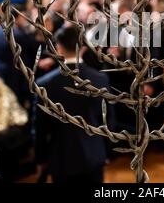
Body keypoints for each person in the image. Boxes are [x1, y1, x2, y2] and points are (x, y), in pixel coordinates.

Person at [33, 26, 108, 183]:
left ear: (58, 48)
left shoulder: (44, 84)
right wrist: (104, 152)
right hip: (94, 155)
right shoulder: (101, 79)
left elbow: (40, 129)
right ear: (83, 48)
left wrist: (41, 159)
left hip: (62, 158)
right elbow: (108, 122)